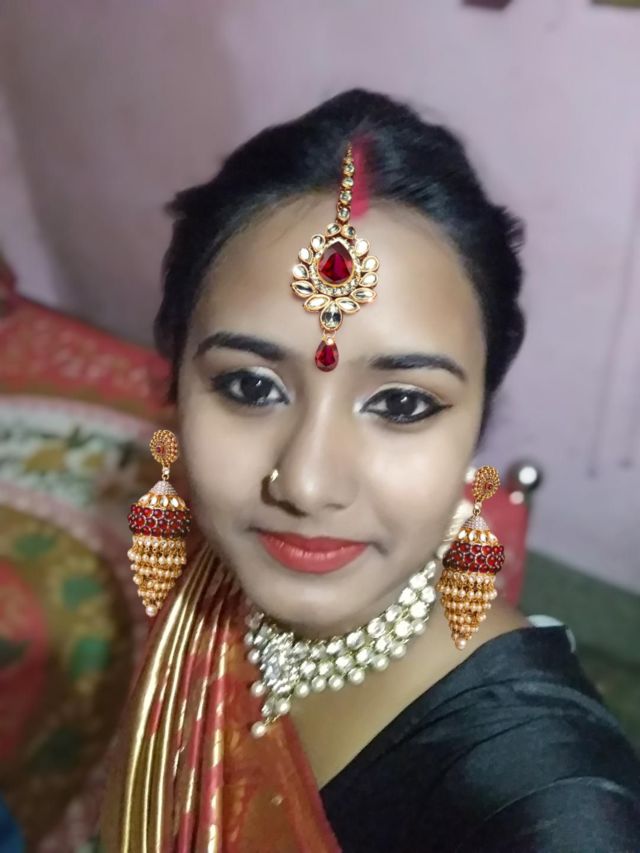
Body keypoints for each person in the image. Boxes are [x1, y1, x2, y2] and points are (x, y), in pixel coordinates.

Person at [101, 89, 640, 851]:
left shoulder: (541, 792)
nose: (306, 484)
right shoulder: (206, 574)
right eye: (250, 386)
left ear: (477, 419)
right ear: (177, 383)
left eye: (401, 403)